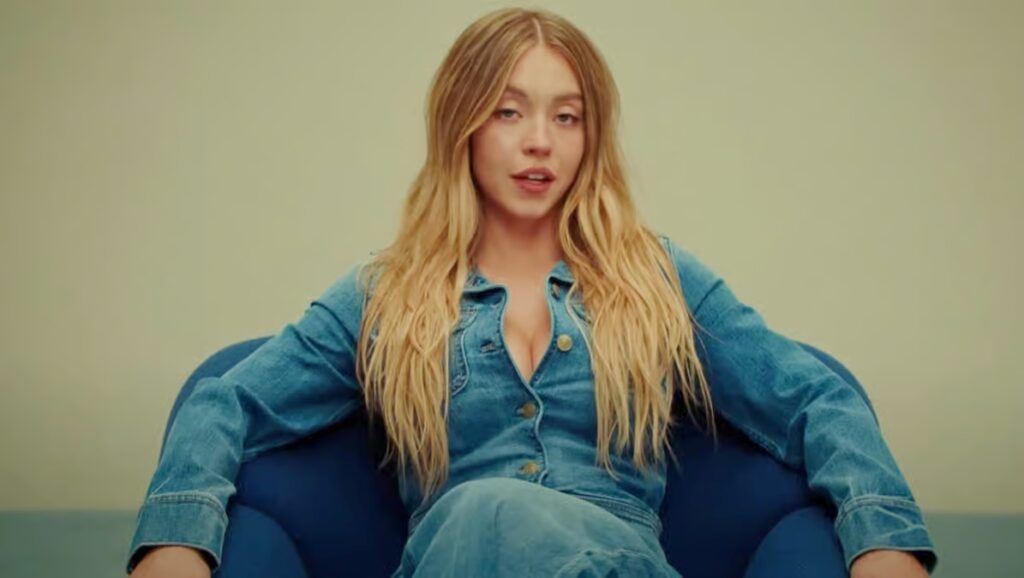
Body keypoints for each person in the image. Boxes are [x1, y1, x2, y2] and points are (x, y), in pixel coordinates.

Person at [126, 7, 937, 577]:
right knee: (481, 512)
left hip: (617, 559)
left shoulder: (655, 277)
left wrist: (883, 542)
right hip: (453, 558)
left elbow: (813, 400)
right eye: (509, 112)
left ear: (593, 135)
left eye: (568, 117)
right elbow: (223, 403)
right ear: (463, 126)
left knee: (496, 510)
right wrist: (176, 542)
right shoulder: (386, 296)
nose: (540, 142)